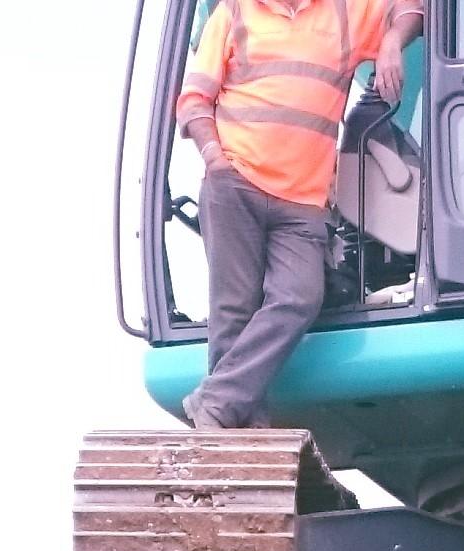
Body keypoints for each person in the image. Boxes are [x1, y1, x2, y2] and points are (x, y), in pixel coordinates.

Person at [177, 0, 424, 431]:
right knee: (233, 311)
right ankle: (239, 432)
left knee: (299, 297)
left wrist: (390, 42)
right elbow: (194, 100)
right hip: (236, 181)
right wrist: (215, 158)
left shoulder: (345, 13)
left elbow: (413, 8)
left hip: (304, 201)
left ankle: (214, 401)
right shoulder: (235, 13)